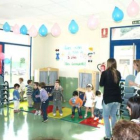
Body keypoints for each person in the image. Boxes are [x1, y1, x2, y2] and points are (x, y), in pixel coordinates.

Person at [100, 58, 122, 140]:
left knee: (105, 116)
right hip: (117, 98)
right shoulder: (118, 73)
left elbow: (101, 84)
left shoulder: (105, 73)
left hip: (108, 98)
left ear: (108, 64)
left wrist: (102, 73)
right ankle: (115, 135)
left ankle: (108, 136)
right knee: (113, 116)